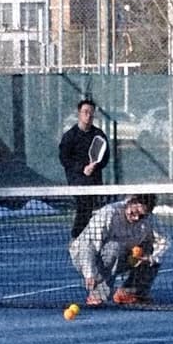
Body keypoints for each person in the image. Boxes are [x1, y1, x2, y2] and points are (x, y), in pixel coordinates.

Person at [71, 193, 168, 306]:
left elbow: (165, 242)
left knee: (151, 252)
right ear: (129, 201)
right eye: (134, 212)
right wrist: (89, 273)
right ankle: (98, 294)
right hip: (85, 257)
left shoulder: (150, 219)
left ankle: (130, 292)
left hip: (122, 255)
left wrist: (152, 258)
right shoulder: (109, 213)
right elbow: (88, 245)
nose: (137, 218)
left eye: (142, 216)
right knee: (114, 248)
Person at [57, 95, 110, 238]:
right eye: (85, 112)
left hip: (94, 180)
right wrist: (82, 168)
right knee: (84, 207)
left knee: (91, 210)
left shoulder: (99, 135)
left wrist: (95, 166)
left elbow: (105, 157)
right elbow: (64, 159)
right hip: (77, 180)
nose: (89, 115)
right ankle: (77, 237)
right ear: (79, 114)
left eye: (91, 112)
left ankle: (86, 239)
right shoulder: (70, 136)